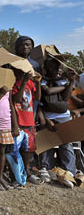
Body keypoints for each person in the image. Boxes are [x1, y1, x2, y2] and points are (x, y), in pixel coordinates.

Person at [38, 58, 77, 188]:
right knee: (47, 142)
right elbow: (47, 92)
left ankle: (69, 171)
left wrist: (70, 82)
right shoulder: (43, 80)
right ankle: (46, 169)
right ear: (47, 68)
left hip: (64, 116)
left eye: (58, 67)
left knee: (66, 144)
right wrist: (65, 86)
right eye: (53, 67)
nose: (57, 70)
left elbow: (66, 97)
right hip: (48, 116)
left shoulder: (65, 80)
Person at [12, 69, 42, 185]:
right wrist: (23, 82)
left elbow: (37, 98)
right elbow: (16, 99)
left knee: (28, 149)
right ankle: (16, 174)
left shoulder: (30, 83)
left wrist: (38, 82)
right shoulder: (14, 83)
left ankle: (28, 172)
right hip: (19, 121)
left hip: (29, 120)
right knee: (15, 149)